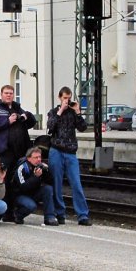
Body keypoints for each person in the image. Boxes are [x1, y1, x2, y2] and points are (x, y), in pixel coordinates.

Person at [0, 84, 36, 222]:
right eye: (6, 93)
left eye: (11, 93)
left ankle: (10, 212)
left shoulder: (18, 108)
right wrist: (7, 121)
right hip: (2, 152)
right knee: (1, 181)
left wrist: (26, 116)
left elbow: (32, 122)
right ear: (1, 94)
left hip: (18, 153)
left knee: (14, 183)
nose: (9, 95)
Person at [46, 86, 91, 225]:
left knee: (76, 184)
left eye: (69, 98)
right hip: (56, 151)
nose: (67, 100)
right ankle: (60, 214)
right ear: (60, 98)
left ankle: (83, 215)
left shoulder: (72, 113)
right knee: (57, 184)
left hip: (71, 152)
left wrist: (78, 112)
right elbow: (50, 128)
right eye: (65, 98)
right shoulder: (53, 112)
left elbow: (83, 127)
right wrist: (60, 111)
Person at [10, 147, 57, 225]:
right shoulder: (23, 168)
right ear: (29, 158)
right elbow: (23, 187)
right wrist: (35, 177)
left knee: (48, 189)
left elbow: (51, 182)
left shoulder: (40, 167)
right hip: (19, 195)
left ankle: (49, 217)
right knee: (31, 206)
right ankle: (17, 214)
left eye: (39, 157)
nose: (39, 159)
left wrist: (47, 171)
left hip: (33, 193)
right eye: (36, 157)